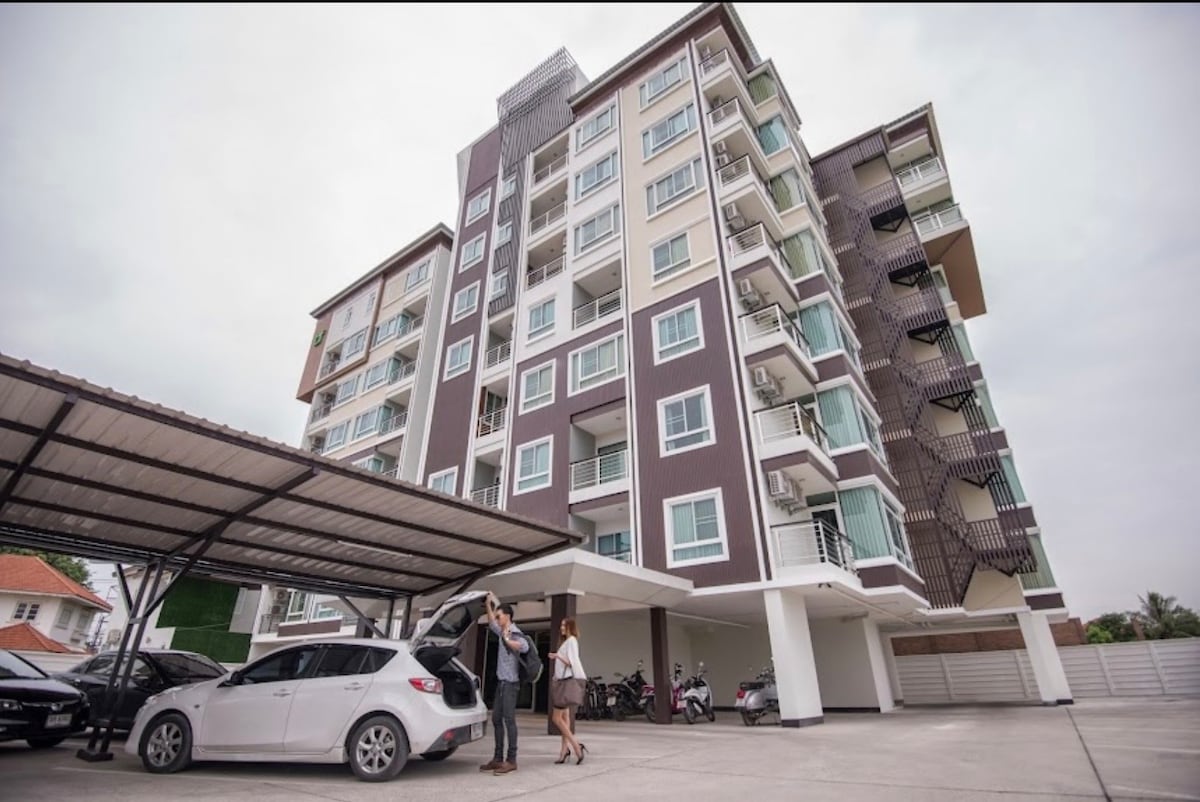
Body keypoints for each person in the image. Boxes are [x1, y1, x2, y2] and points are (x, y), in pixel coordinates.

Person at [480, 593, 528, 776]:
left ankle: (511, 760)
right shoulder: (501, 631)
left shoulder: (515, 632)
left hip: (510, 684)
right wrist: (489, 605)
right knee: (496, 719)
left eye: (500, 616)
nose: (497, 619)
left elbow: (524, 646)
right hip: (501, 683)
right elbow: (492, 623)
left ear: (507, 616)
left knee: (509, 720)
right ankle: (498, 758)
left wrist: (508, 640)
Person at [548, 617, 588, 765]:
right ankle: (564, 751)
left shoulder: (571, 641)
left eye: (564, 625)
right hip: (562, 682)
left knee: (556, 718)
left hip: (565, 684)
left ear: (571, 627)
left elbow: (571, 662)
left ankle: (576, 746)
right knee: (565, 718)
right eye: (561, 625)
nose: (562, 628)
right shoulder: (568, 641)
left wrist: (557, 656)